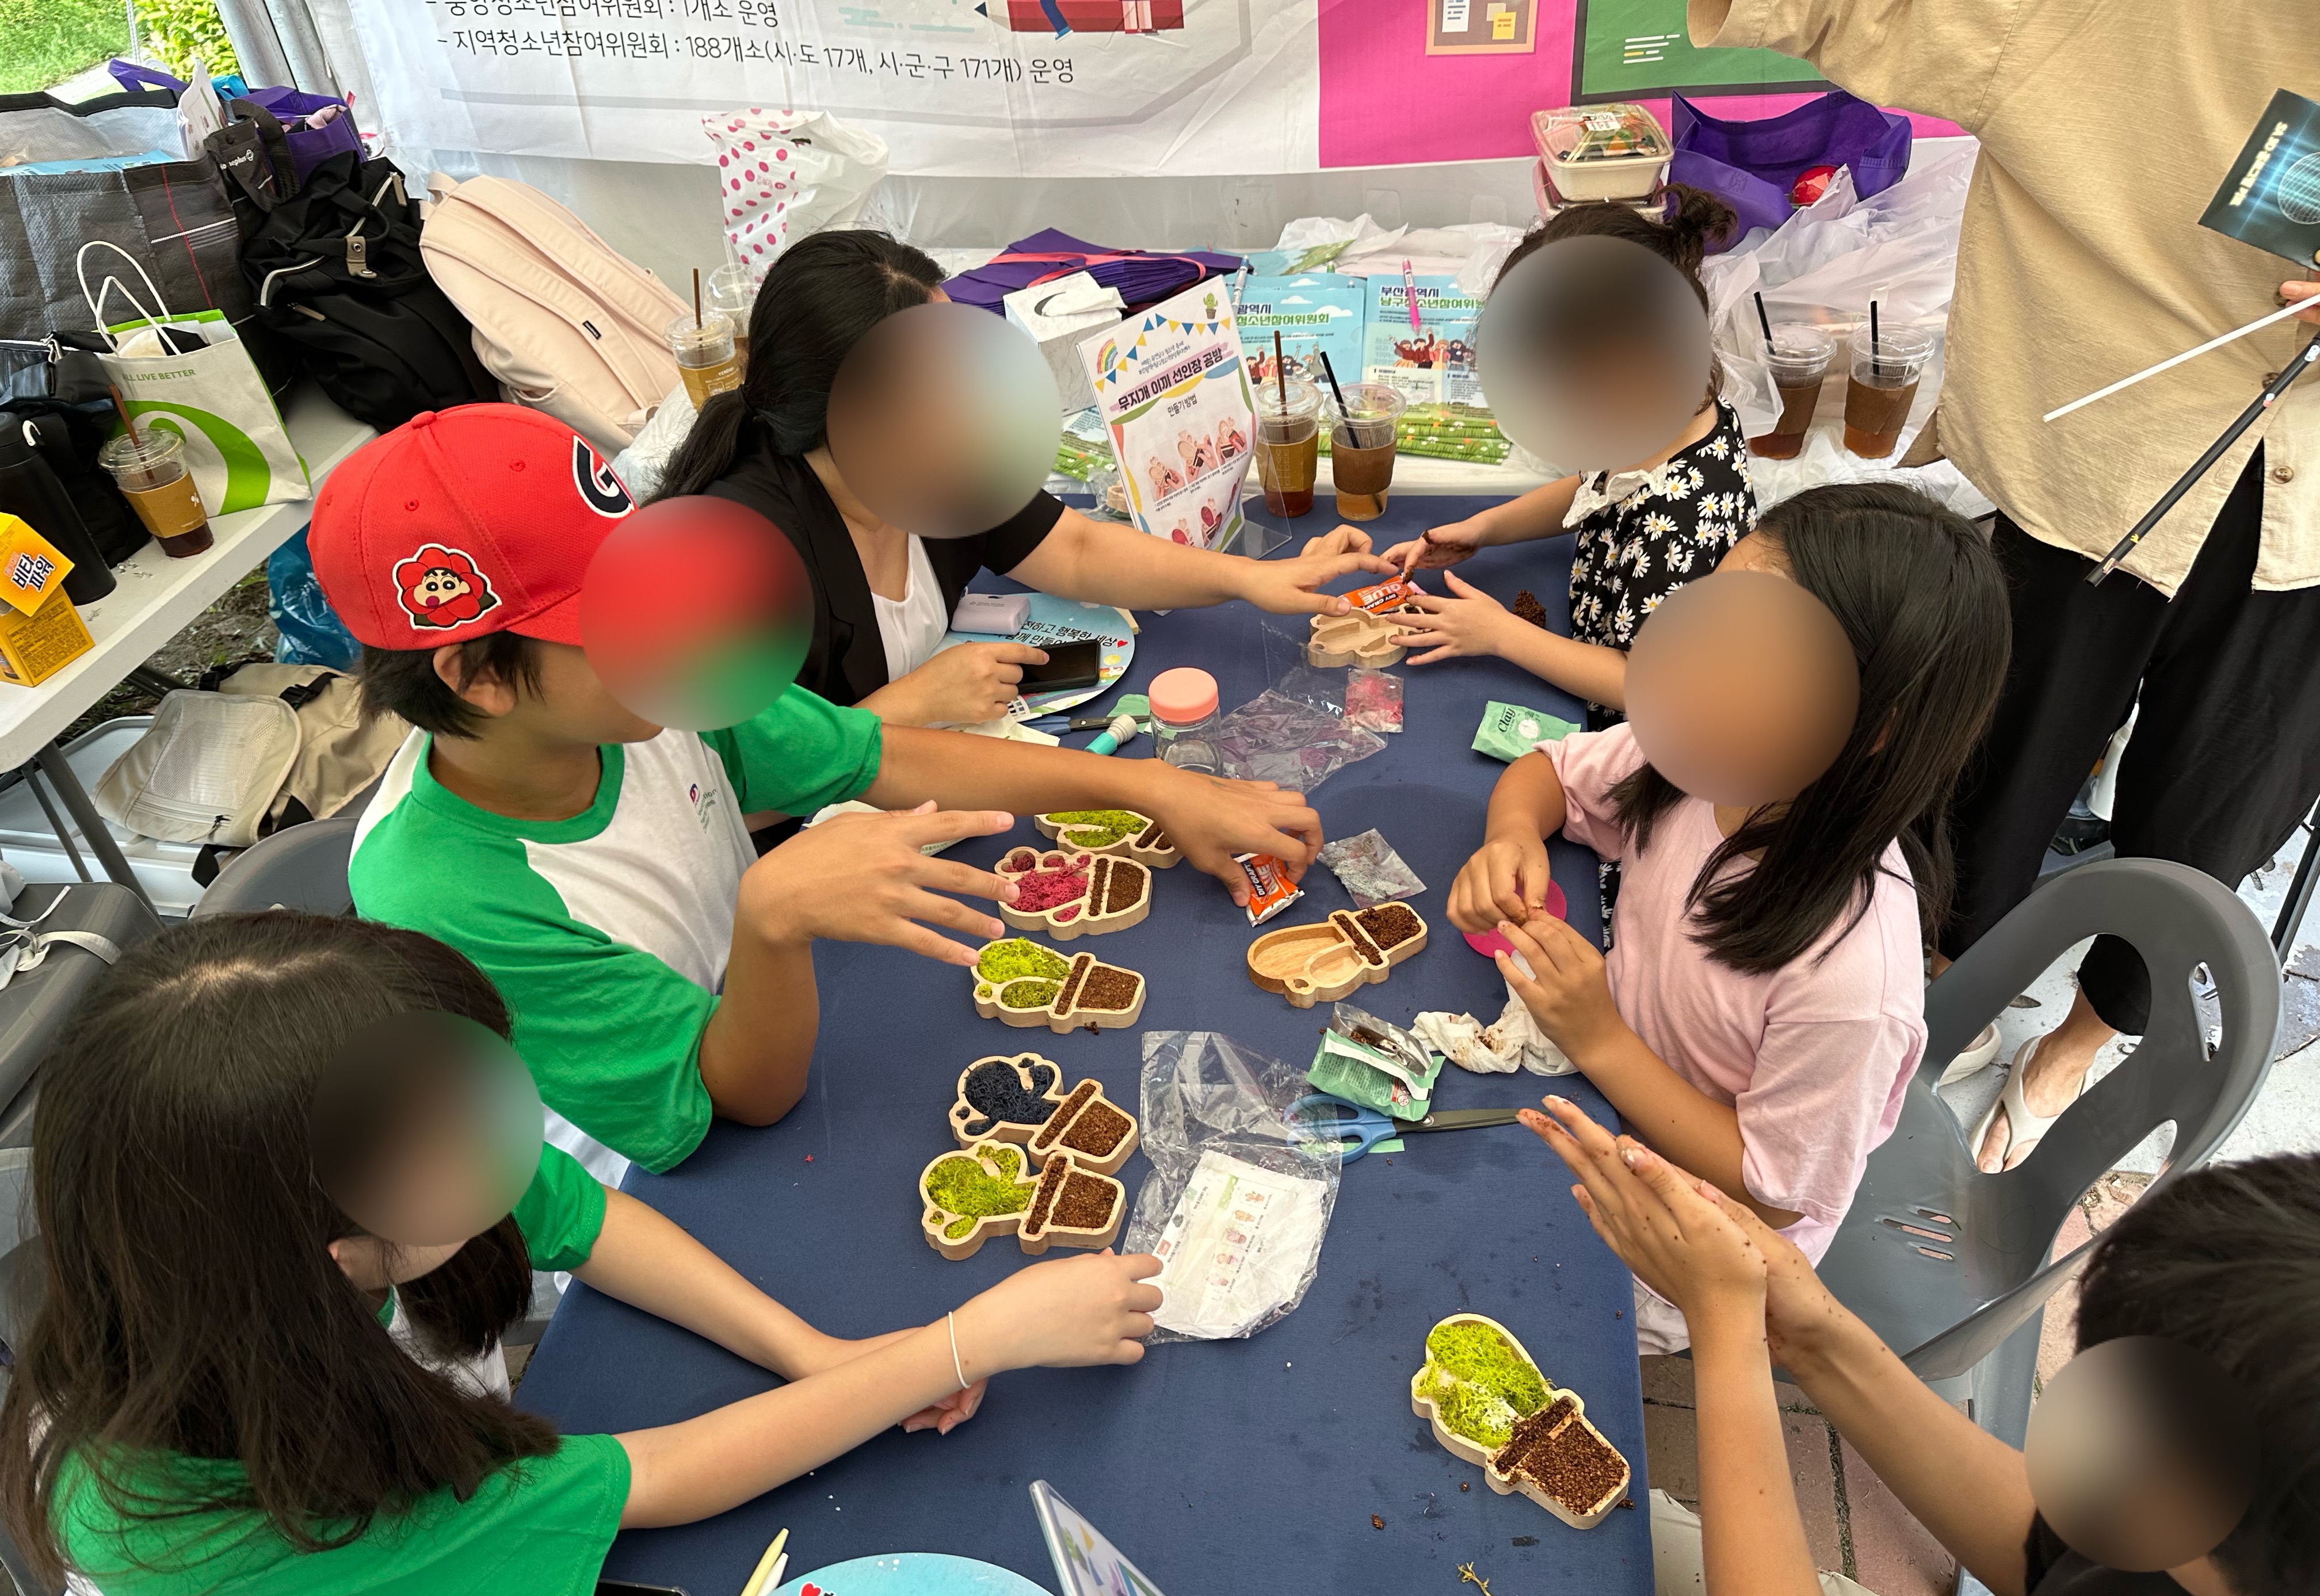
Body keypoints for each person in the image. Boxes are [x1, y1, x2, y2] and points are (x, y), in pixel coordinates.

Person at [0, 913, 1162, 1596]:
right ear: (335, 1256)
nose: (493, 1137)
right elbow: (651, 1479)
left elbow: (589, 1218)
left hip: (393, 1528)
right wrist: (965, 1340)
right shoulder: (180, 1516)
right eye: (449, 1134)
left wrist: (809, 1352)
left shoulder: (288, 1217)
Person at [316, 403, 1324, 1185]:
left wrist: (1150, 786)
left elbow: (881, 756)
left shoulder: (653, 692)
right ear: (477, 677)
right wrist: (770, 916)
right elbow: (736, 1098)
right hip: (657, 1172)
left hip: (759, 1013)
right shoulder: (446, 898)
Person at [1679, 2, 2320, 1169]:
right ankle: (1948, 985)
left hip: (2310, 526)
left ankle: (2079, 1042)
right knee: (1986, 769)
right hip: (2095, 465)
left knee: (2214, 814)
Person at [1527, 1096, 2320, 1596]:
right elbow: (2060, 1546)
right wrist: (1816, 1336)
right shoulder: (2268, 1559)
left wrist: (1726, 1332)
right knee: (1601, 1532)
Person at [1446, 483, 2010, 1351]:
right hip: (1603, 1092)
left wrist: (1601, 1039)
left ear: (1871, 724)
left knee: (1455, 1282)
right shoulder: (1700, 753)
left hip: (1689, 1245)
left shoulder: (1852, 982)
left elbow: (1773, 1192)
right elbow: (1550, 773)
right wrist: (1511, 835)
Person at [652, 230, 1397, 727]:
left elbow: (1075, 549)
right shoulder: (737, 566)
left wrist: (1247, 580)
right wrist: (906, 707)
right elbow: (730, 793)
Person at [1379, 188, 1758, 731]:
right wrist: (1484, 528)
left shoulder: (1679, 525)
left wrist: (1501, 635)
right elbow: (1595, 490)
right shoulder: (1662, 420)